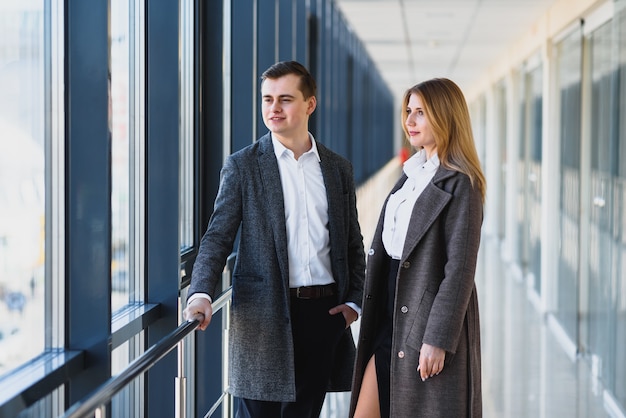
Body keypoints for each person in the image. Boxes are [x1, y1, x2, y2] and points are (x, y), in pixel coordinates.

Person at [183, 60, 366, 418]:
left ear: (309, 104)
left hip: (323, 314)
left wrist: (353, 304)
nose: (273, 109)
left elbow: (352, 243)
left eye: (285, 99)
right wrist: (200, 292)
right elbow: (217, 236)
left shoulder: (337, 168)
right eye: (267, 99)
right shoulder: (243, 166)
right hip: (262, 316)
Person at [349, 78, 486, 418]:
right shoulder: (411, 175)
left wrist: (437, 338)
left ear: (445, 116)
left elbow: (460, 270)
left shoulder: (462, 184)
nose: (409, 121)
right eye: (408, 111)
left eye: (420, 113)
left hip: (425, 320)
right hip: (387, 311)